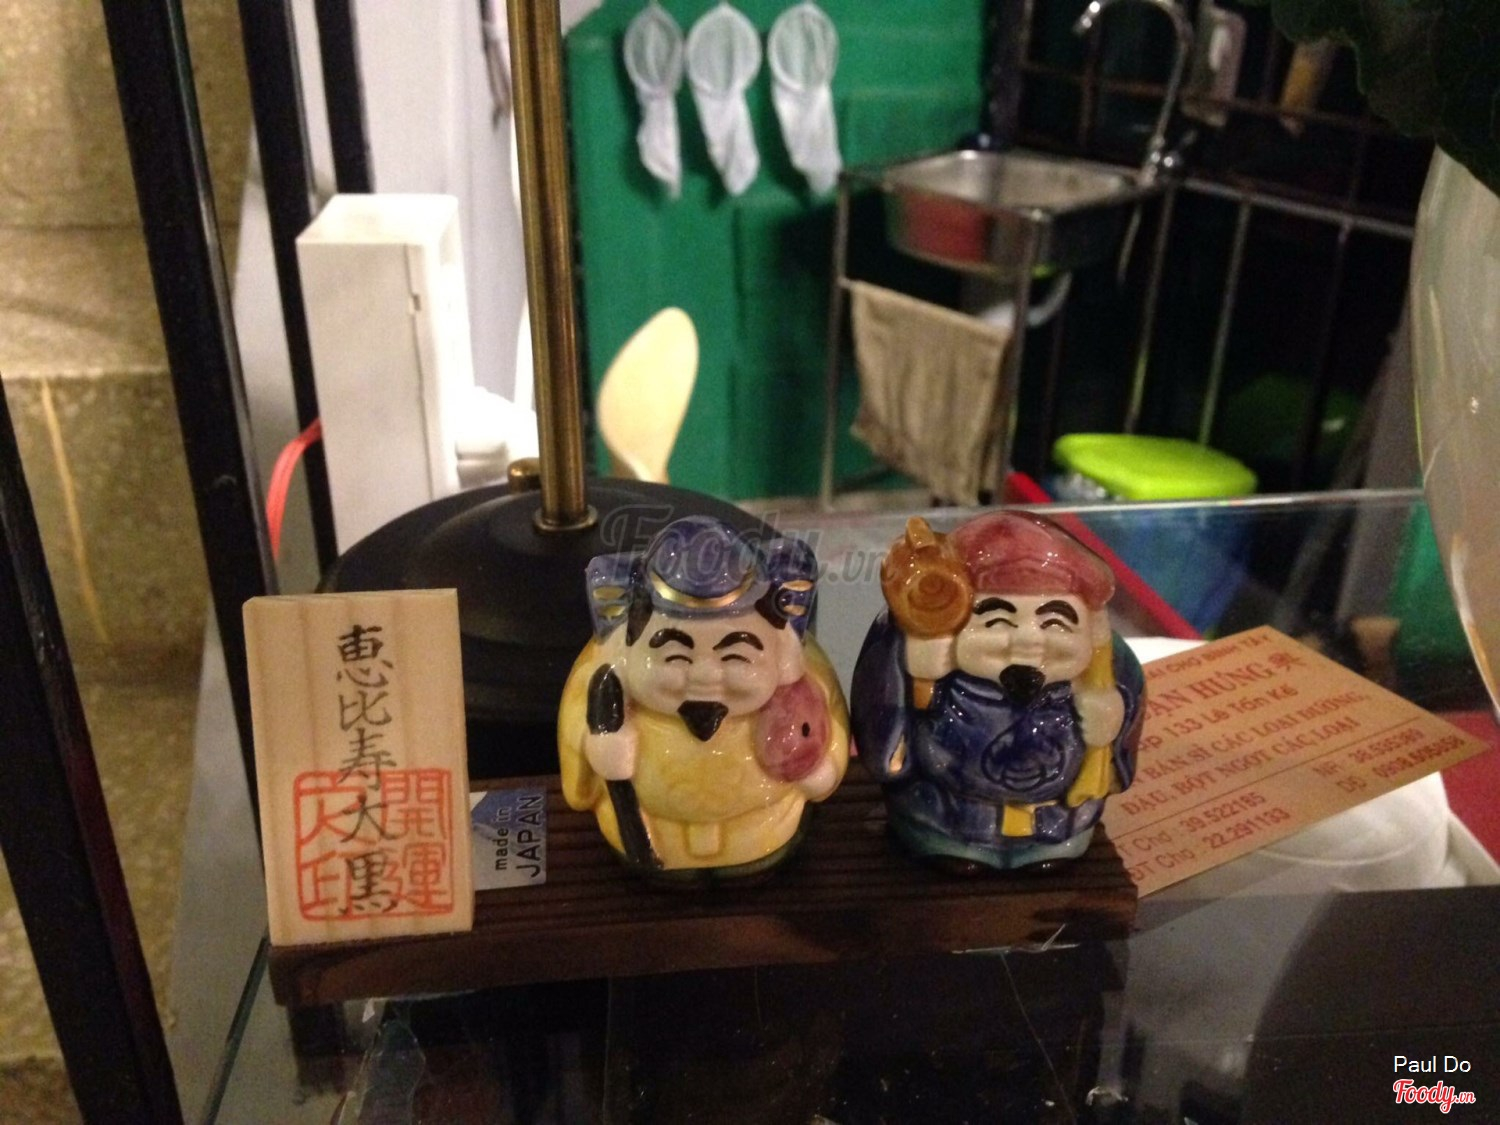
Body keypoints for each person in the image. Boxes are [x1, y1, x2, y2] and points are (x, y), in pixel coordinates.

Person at [851, 510, 1144, 871]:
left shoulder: (1100, 670)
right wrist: (905, 656)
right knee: (943, 838)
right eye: (997, 621)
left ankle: (1051, 844)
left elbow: (1126, 696)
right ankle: (949, 843)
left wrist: (1112, 714)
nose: (1027, 640)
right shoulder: (931, 666)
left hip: (1058, 815)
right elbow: (881, 709)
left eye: (1053, 622)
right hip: (950, 811)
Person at [558, 516, 848, 880]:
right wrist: (597, 746)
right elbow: (577, 773)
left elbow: (833, 743)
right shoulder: (603, 677)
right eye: (676, 656)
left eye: (735, 657)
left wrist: (816, 767)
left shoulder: (803, 680)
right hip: (651, 830)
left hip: (764, 829)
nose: (705, 675)